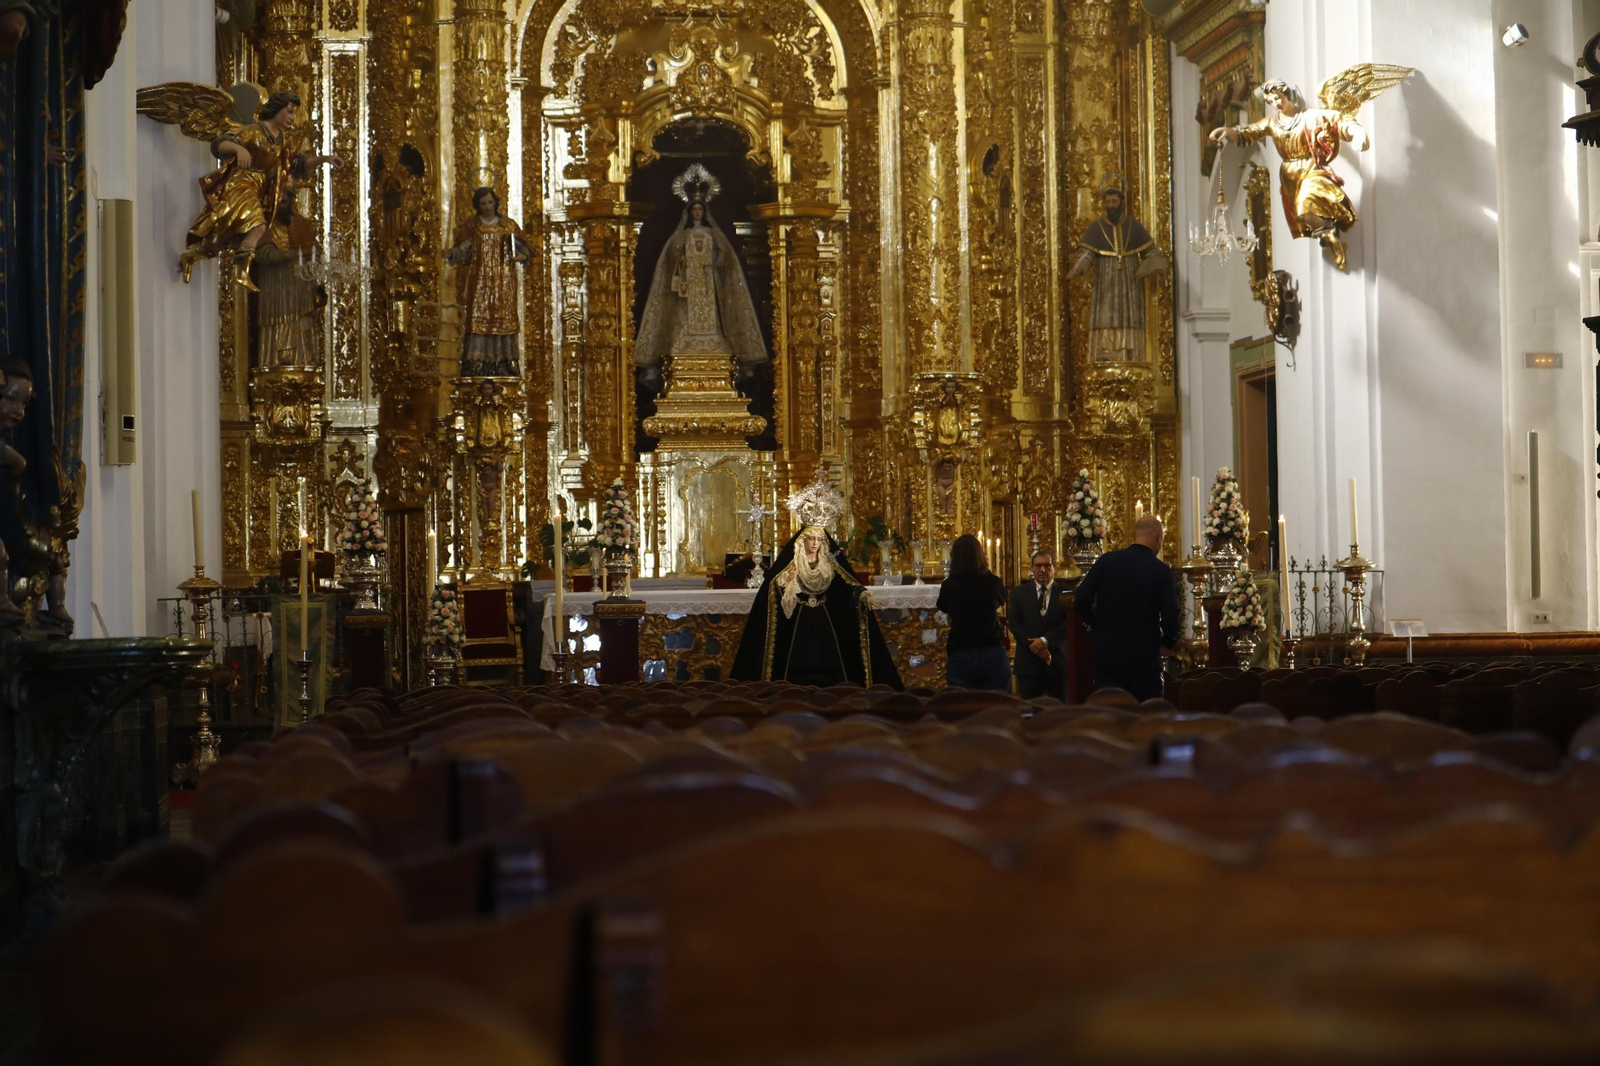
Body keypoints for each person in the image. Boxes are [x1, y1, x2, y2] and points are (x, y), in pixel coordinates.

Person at [730, 478, 902, 689]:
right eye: (811, 539)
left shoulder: (830, 563)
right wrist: (786, 583)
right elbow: (772, 588)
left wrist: (862, 595)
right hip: (797, 621)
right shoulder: (791, 564)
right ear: (802, 540)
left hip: (825, 620)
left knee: (830, 663)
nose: (815, 543)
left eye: (819, 540)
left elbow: (845, 584)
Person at [180, 90, 341, 292]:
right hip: (241, 184)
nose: (292, 118)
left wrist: (324, 159)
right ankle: (241, 273)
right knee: (258, 228)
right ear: (277, 109)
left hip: (259, 190)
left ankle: (191, 257)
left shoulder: (283, 142)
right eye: (289, 111)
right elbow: (219, 144)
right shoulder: (254, 131)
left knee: (220, 238)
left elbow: (298, 164)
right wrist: (239, 149)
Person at [635, 166, 768, 378]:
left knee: (711, 313)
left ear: (704, 212)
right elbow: (673, 254)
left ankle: (713, 341)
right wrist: (681, 260)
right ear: (689, 212)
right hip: (688, 281)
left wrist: (716, 263)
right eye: (694, 209)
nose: (697, 212)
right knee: (684, 313)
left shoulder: (711, 233)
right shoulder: (683, 235)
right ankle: (684, 341)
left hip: (707, 279)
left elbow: (724, 253)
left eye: (700, 209)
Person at [1073, 515, 1181, 701]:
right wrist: (1167, 642)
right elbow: (1171, 614)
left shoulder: (1107, 561)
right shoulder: (1161, 570)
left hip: (1107, 656)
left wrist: (1094, 625)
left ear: (1134, 535)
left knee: (1110, 711)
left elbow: (1081, 598)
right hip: (1144, 658)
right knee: (1145, 712)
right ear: (1158, 536)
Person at [1069, 174, 1167, 362]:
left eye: (1114, 202)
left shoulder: (1134, 226)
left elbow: (1150, 251)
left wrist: (1154, 265)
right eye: (1108, 202)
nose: (1111, 205)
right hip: (1106, 278)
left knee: (1128, 315)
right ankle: (1104, 350)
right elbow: (1087, 254)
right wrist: (1078, 268)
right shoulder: (1096, 228)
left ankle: (1129, 355)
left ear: (1121, 202)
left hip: (1129, 280)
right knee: (1106, 313)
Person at [447, 186, 531, 377]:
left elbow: (524, 247)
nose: (487, 206)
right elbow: (463, 250)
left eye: (490, 202)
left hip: (503, 279)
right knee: (479, 316)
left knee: (503, 316)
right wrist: (451, 253)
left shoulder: (507, 225)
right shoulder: (473, 226)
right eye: (483, 203)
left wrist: (522, 256)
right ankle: (476, 360)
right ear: (477, 205)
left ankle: (506, 360)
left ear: (496, 203)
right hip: (480, 279)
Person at [936, 533, 1010, 691]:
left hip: (961, 650)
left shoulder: (949, 585)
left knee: (963, 703)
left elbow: (943, 606)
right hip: (991, 650)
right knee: (997, 702)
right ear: (980, 555)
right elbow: (1002, 599)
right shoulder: (993, 582)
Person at [1007, 549, 1069, 700]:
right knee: (1029, 709)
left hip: (1056, 662)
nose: (1042, 570)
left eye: (1047, 566)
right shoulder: (1018, 593)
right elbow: (1014, 623)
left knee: (1059, 709)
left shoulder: (1066, 593)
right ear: (1032, 568)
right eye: (1038, 566)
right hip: (1028, 664)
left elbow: (1068, 623)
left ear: (1055, 567)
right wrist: (1036, 647)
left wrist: (1045, 640)